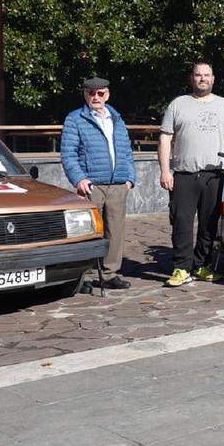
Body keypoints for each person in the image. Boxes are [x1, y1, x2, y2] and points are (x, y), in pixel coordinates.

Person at [158, 62, 224, 287]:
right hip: (184, 175)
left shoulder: (223, 105)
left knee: (209, 224)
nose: (202, 79)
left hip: (214, 175)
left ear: (213, 79)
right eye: (198, 75)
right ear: (192, 78)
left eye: (206, 75)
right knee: (181, 223)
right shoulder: (178, 104)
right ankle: (181, 268)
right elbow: (165, 138)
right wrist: (165, 171)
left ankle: (202, 266)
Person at [60, 76, 135, 290]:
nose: (96, 97)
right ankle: (81, 277)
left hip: (118, 184)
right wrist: (79, 179)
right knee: (87, 232)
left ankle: (110, 274)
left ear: (107, 95)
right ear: (85, 94)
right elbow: (68, 154)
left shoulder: (117, 118)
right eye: (91, 93)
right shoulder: (75, 119)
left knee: (116, 231)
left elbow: (127, 151)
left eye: (100, 93)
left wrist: (130, 179)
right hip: (91, 185)